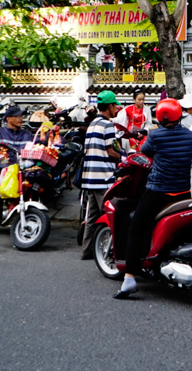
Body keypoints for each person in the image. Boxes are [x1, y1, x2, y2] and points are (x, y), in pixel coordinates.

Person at [115, 99, 192, 299]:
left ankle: (130, 277)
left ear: (159, 117)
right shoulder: (190, 135)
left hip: (158, 192)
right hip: (183, 192)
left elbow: (144, 153)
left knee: (135, 227)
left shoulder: (155, 135)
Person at [80, 91, 123, 260]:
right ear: (110, 106)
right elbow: (112, 151)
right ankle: (112, 253)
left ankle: (87, 250)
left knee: (91, 217)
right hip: (103, 178)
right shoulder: (108, 125)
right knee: (111, 217)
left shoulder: (93, 123)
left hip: (90, 178)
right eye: (115, 106)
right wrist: (124, 157)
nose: (116, 110)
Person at [0, 106, 34, 208]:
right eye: (17, 116)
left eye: (21, 116)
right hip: (3, 168)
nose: (20, 119)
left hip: (22, 169)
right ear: (8, 119)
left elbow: (37, 145)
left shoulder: (27, 134)